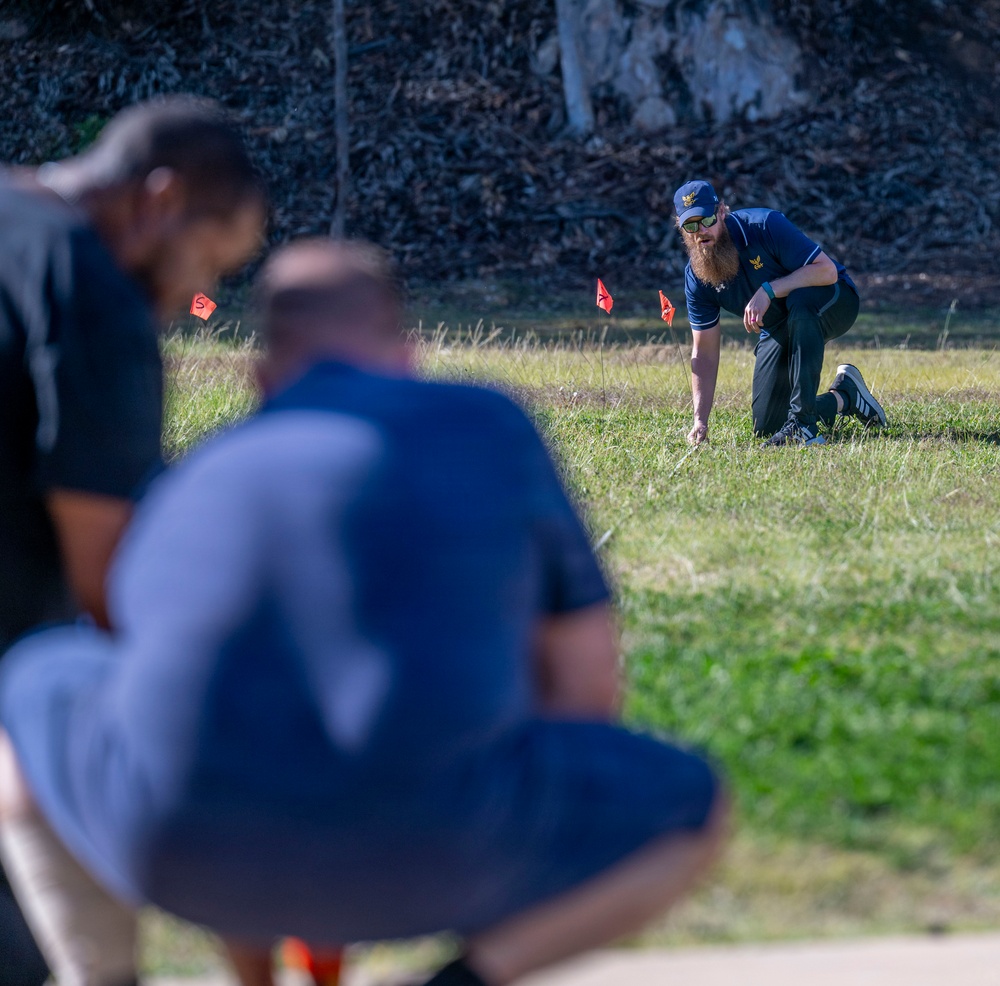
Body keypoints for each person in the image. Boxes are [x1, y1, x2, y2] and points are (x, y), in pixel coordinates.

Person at [0, 240, 726, 986]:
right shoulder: (491, 429)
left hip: (191, 852)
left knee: (28, 685)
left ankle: (107, 976)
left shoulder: (199, 473)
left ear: (262, 378)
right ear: (408, 356)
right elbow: (587, 686)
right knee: (693, 807)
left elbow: (184, 713)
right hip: (444, 848)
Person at [0, 97, 266, 986]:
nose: (204, 290)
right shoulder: (92, 296)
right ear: (158, 199)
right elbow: (104, 579)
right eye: (208, 257)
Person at [674, 179, 887, 447]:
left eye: (706, 219)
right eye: (690, 226)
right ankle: (846, 395)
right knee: (768, 426)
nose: (701, 231)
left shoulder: (764, 226)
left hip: (834, 299)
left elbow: (826, 271)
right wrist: (700, 420)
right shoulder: (696, 277)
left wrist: (769, 290)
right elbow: (703, 353)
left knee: (800, 302)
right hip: (780, 327)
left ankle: (804, 427)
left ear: (721, 212)